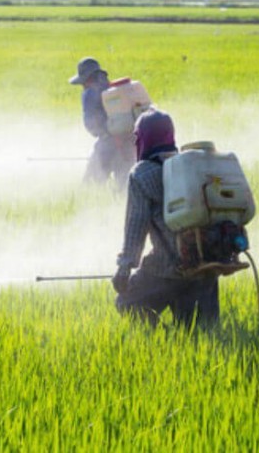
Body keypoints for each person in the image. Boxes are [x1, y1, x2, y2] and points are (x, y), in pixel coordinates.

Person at [111, 109, 220, 329]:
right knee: (202, 337)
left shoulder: (142, 173)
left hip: (166, 268)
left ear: (143, 139)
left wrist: (124, 267)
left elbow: (136, 227)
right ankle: (174, 345)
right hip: (207, 265)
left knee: (127, 302)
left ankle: (166, 338)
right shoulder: (191, 166)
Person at [68, 57, 135, 187]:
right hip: (128, 141)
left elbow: (91, 125)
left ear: (87, 78)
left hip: (107, 144)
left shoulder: (89, 93)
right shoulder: (111, 88)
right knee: (124, 186)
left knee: (90, 185)